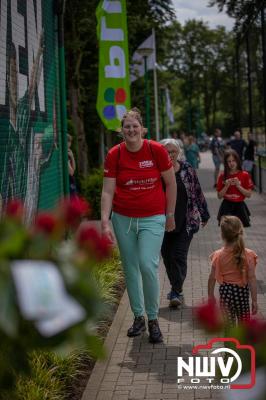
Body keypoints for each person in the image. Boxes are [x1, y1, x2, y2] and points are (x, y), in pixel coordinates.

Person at [101, 108, 177, 343]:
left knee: (147, 264)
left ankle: (153, 319)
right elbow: (107, 190)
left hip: (153, 217)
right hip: (123, 218)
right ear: (121, 131)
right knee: (131, 268)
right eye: (127, 127)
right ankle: (138, 318)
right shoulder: (115, 154)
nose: (131, 130)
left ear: (142, 128)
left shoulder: (155, 150)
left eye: (135, 126)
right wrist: (104, 221)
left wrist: (170, 214)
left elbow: (171, 184)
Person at [160, 139, 210, 307]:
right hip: (163, 222)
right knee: (167, 256)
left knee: (178, 255)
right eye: (166, 151)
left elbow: (197, 190)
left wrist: (205, 213)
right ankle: (177, 288)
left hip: (186, 221)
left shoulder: (187, 168)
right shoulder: (157, 171)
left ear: (178, 153)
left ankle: (176, 290)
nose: (170, 155)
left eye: (173, 151)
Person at [208, 215, 258, 326]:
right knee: (244, 322)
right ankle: (242, 342)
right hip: (241, 292)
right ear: (241, 232)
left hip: (225, 292)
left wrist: (210, 295)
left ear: (222, 235)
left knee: (228, 323)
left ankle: (229, 342)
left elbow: (212, 278)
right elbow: (252, 279)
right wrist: (254, 300)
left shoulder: (218, 255)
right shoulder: (248, 255)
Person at [217, 149, 253, 227]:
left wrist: (238, 186)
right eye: (229, 161)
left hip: (239, 206)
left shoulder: (245, 175)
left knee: (239, 231)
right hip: (226, 206)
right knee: (227, 230)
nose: (231, 163)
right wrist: (226, 186)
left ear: (237, 161)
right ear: (226, 163)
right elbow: (219, 196)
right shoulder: (222, 176)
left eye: (233, 160)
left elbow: (249, 195)